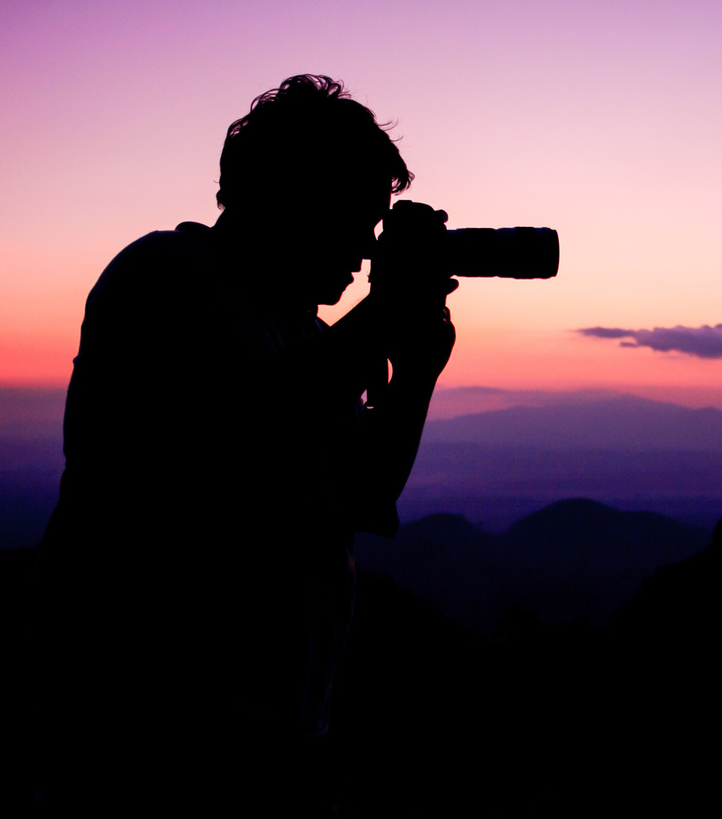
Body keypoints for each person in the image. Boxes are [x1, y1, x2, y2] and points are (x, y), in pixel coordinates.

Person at [33, 75, 455, 809]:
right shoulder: (167, 277)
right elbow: (258, 415)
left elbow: (365, 490)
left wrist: (415, 374)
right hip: (155, 730)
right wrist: (383, 314)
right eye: (360, 213)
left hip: (275, 732)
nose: (367, 244)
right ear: (293, 196)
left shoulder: (306, 335)